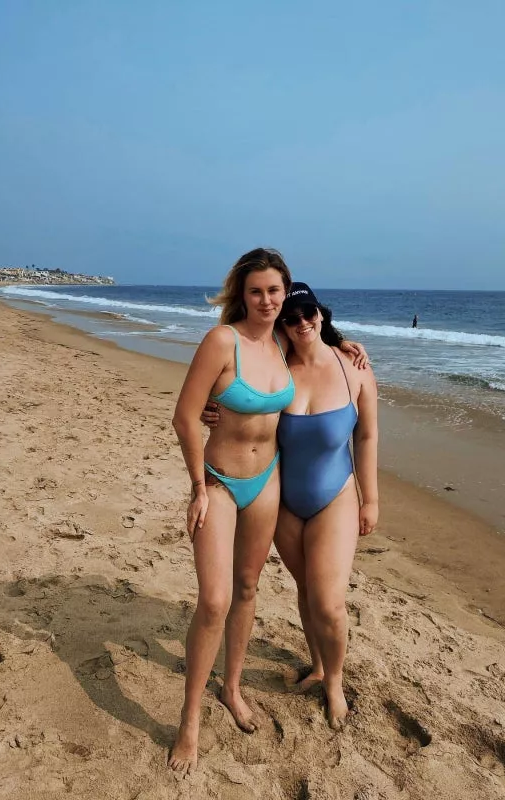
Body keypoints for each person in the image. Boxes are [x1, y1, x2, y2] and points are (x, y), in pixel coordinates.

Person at [169, 250, 367, 773]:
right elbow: (186, 418)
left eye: (274, 292)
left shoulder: (282, 342)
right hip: (220, 481)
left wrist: (343, 343)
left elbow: (316, 344)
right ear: (243, 293)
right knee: (214, 600)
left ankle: (232, 689)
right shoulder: (221, 340)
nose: (267, 301)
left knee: (250, 588)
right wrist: (197, 487)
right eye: (257, 291)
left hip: (269, 483)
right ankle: (189, 719)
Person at [203, 282, 378, 729]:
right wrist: (210, 406)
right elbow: (240, 386)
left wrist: (370, 499)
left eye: (309, 313)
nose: (302, 323)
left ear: (321, 313)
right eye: (292, 317)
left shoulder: (353, 368)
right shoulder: (276, 364)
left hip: (335, 497)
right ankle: (317, 665)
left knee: (329, 602)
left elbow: (367, 436)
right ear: (282, 323)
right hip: (280, 498)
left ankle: (334, 683)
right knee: (306, 588)